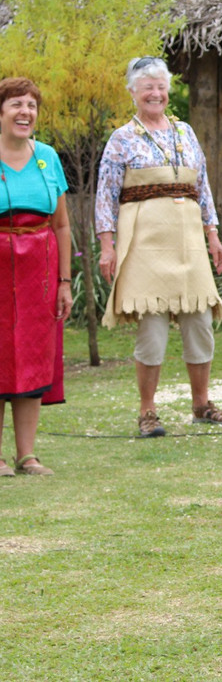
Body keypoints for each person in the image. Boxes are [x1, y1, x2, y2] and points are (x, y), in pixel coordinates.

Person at [95, 56, 222, 438]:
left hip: (188, 241)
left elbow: (201, 186)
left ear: (168, 90)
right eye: (147, 87)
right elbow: (105, 195)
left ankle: (202, 404)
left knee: (200, 321)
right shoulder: (122, 139)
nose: (155, 93)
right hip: (144, 244)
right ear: (133, 92)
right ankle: (147, 412)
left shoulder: (184, 132)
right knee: (152, 328)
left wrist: (213, 235)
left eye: (160, 86)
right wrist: (107, 245)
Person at [0, 78, 73, 476]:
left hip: (39, 275)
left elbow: (61, 225)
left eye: (31, 105)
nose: (24, 112)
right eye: (15, 104)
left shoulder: (47, 157)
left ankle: (26, 455)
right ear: (1, 112)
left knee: (31, 357)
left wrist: (64, 281)